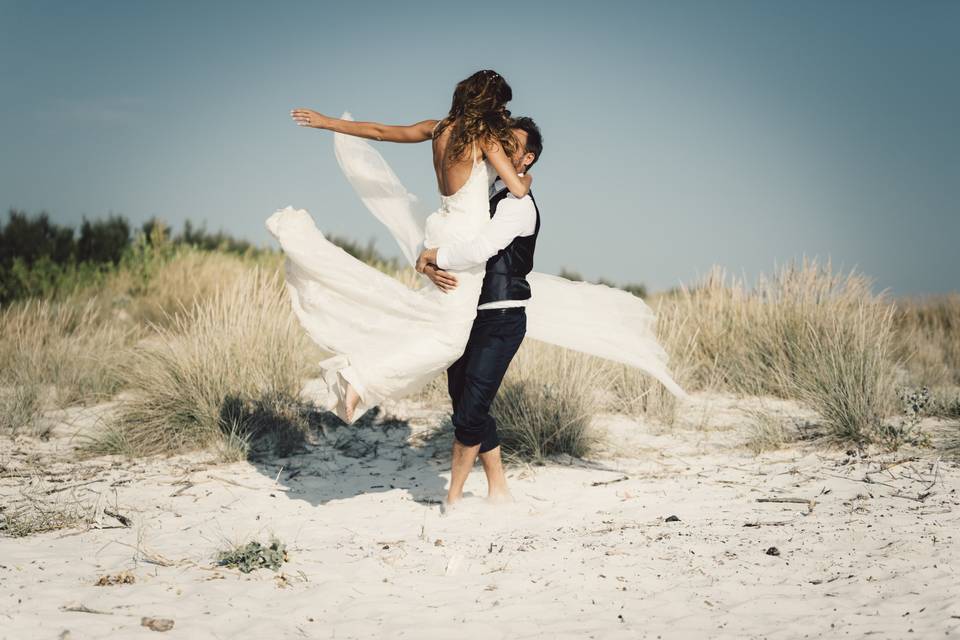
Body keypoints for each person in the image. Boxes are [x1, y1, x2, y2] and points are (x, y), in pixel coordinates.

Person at [415, 117, 542, 507]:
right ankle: (499, 489)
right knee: (466, 401)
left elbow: (480, 248)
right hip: (468, 315)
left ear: (527, 158)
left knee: (470, 412)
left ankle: (452, 499)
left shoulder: (517, 205)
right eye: (499, 143)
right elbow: (449, 237)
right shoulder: (482, 197)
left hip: (502, 319)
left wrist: (436, 255)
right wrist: (427, 265)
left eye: (511, 147)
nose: (501, 151)